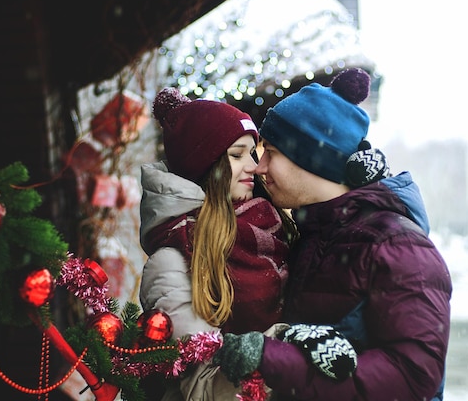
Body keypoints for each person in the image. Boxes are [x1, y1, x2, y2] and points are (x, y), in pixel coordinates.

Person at [213, 68, 452, 400]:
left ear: (312, 159)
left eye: (272, 152)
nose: (258, 165)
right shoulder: (314, 234)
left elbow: (412, 378)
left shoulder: (396, 245)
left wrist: (275, 359)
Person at [138, 87, 357, 400]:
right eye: (237, 155)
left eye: (253, 153)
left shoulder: (277, 231)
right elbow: (199, 388)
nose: (254, 165)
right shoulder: (175, 258)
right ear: (206, 165)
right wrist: (282, 345)